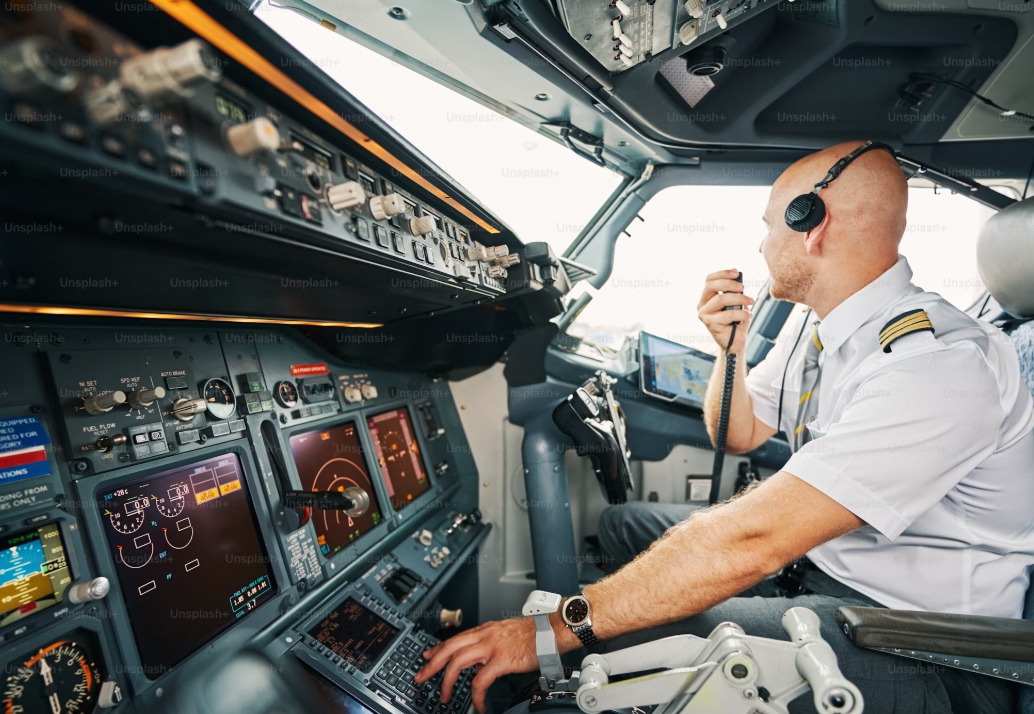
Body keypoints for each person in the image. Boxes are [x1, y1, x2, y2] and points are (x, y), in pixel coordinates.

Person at [414, 141, 1034, 714]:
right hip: (827, 568)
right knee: (622, 525)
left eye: (769, 226)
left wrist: (558, 627)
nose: (762, 246)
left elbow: (753, 540)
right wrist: (728, 351)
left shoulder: (937, 363)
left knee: (603, 656)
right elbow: (737, 433)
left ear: (810, 223)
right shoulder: (816, 326)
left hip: (922, 640)